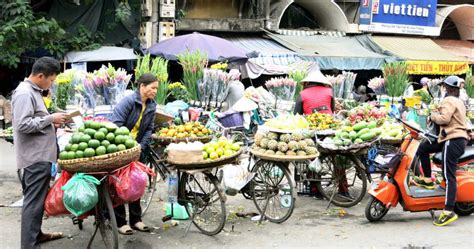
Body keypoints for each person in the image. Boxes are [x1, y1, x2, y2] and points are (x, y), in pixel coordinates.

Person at [12, 57, 66, 248]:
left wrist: (51, 121)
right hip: (35, 158)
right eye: (51, 80)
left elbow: (35, 119)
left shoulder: (34, 92)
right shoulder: (25, 93)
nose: (51, 83)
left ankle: (37, 234)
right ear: (41, 75)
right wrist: (51, 118)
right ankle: (29, 244)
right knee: (33, 203)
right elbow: (22, 125)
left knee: (37, 200)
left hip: (40, 155)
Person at [415, 75, 469, 226]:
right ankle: (427, 179)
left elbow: (444, 119)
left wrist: (432, 115)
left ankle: (448, 211)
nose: (443, 89)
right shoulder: (459, 101)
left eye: (445, 87)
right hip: (452, 139)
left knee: (448, 174)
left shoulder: (449, 100)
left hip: (453, 139)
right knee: (424, 148)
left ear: (450, 88)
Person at [111, 73, 157, 234]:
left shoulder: (151, 105)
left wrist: (141, 147)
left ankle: (136, 220)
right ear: (142, 87)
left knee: (136, 183)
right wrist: (126, 147)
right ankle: (120, 222)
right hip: (121, 149)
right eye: (153, 88)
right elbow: (115, 126)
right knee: (119, 185)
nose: (155, 91)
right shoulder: (128, 101)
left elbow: (149, 128)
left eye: (156, 88)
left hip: (137, 149)